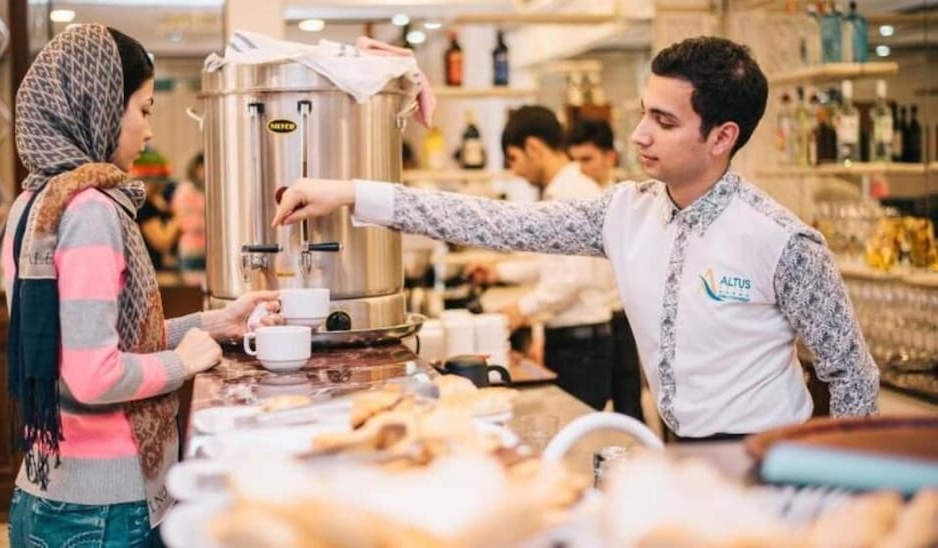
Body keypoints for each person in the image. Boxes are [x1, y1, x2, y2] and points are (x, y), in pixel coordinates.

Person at [273, 36, 879, 441]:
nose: (639, 135)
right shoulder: (624, 211)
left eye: (664, 121)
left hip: (772, 454)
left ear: (722, 137)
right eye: (643, 112)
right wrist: (352, 192)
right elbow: (495, 222)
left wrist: (846, 494)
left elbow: (852, 376)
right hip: (679, 448)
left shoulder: (784, 242)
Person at [2, 25, 283, 545]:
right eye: (144, 109)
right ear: (102, 107)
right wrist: (184, 363)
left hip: (45, 495)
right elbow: (94, 375)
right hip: (103, 511)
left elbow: (90, 342)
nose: (148, 132)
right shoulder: (90, 210)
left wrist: (216, 323)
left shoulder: (32, 204)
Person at [466, 106, 615, 410]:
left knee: (575, 431)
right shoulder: (563, 190)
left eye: (513, 158)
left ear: (534, 148)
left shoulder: (571, 193)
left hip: (582, 345)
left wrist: (520, 310)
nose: (514, 171)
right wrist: (499, 273)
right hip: (577, 341)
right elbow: (553, 264)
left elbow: (571, 277)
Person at [565, 119, 645, 421]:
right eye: (573, 161)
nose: (579, 169)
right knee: (591, 413)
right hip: (593, 320)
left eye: (587, 159)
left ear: (610, 157)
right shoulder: (573, 200)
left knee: (629, 408)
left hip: (622, 320)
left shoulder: (632, 204)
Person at [171, 152, 206, 279]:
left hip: (209, 250)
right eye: (203, 167)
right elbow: (186, 222)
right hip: (192, 250)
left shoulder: (207, 189)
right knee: (192, 289)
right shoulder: (185, 190)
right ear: (196, 169)